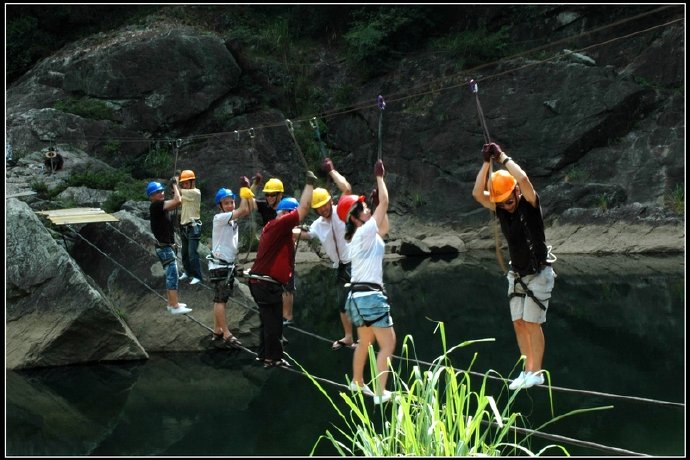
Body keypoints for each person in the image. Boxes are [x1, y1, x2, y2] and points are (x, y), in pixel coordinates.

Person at [472, 142, 556, 390]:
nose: (506, 205)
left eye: (509, 200)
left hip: (539, 273)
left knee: (532, 323)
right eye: (502, 202)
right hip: (517, 275)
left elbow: (525, 179)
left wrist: (502, 157)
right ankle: (527, 369)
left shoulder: (530, 204)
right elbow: (478, 194)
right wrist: (487, 162)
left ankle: (537, 372)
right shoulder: (500, 209)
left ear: (517, 192)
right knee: (519, 322)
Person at [339, 159, 395, 405]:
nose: (368, 211)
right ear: (354, 218)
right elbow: (385, 202)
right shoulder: (362, 232)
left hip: (356, 298)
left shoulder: (360, 236)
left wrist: (373, 205)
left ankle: (357, 382)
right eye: (363, 208)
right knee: (388, 345)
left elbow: (384, 229)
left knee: (365, 341)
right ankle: (381, 393)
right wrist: (380, 178)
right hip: (371, 297)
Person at [247, 171, 316, 368]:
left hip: (260, 282)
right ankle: (274, 359)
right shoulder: (280, 224)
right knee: (274, 323)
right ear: (287, 213)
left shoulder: (274, 226)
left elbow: (304, 235)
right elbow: (303, 209)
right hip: (266, 283)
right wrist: (309, 184)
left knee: (267, 320)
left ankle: (263, 355)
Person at [296, 157, 357, 351]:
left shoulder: (341, 211)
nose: (323, 209)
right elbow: (305, 235)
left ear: (331, 200)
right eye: (319, 207)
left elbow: (346, 189)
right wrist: (286, 229)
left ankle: (367, 338)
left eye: (325, 204)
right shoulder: (317, 225)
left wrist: (331, 171)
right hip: (340, 267)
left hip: (355, 261)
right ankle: (348, 337)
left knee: (362, 300)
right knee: (342, 304)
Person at [207, 182, 254, 347]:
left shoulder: (232, 219)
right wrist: (244, 190)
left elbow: (246, 209)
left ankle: (217, 330)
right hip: (220, 266)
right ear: (220, 205)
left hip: (226, 265)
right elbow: (242, 210)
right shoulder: (219, 218)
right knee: (221, 300)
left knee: (220, 300)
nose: (230, 205)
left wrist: (251, 187)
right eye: (226, 203)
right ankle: (226, 333)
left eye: (231, 202)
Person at [249, 175, 296, 327]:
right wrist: (254, 185)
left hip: (284, 247)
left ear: (280, 194)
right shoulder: (264, 207)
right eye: (267, 194)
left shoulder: (287, 206)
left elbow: (296, 218)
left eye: (272, 194)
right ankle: (274, 316)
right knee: (269, 281)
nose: (269, 197)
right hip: (269, 249)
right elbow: (248, 204)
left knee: (288, 281)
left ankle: (287, 317)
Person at [147, 179, 192, 315]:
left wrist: (176, 188)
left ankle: (171, 303)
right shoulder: (156, 206)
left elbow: (178, 200)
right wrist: (174, 184)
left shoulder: (161, 207)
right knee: (172, 275)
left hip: (165, 247)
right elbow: (178, 201)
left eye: (161, 191)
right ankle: (174, 306)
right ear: (151, 196)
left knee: (171, 274)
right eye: (157, 192)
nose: (160, 193)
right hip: (165, 248)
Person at [177, 169, 203, 285]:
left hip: (193, 227)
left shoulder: (195, 192)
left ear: (193, 182)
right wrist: (177, 183)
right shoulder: (186, 193)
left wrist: (175, 182)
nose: (185, 185)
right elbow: (178, 197)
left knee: (192, 254)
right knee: (184, 253)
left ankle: (197, 276)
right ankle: (187, 272)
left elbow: (178, 191)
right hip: (184, 227)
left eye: (187, 182)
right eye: (183, 183)